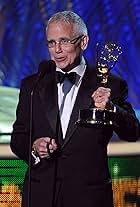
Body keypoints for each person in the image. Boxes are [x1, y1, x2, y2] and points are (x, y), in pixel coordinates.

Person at [10, 11, 139, 207]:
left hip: (88, 198)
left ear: (84, 42)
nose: (57, 50)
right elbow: (18, 140)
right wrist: (35, 147)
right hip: (40, 196)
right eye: (51, 43)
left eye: (64, 41)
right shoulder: (33, 85)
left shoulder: (110, 84)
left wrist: (111, 108)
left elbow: (133, 132)